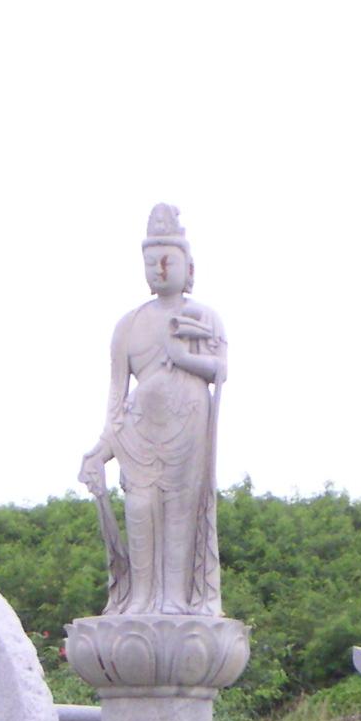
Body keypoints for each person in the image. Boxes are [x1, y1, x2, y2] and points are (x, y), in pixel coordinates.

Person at [79, 205, 226, 616]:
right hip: (138, 435)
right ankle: (139, 598)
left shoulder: (202, 317)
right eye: (150, 262)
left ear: (188, 267)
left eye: (168, 260)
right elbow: (116, 396)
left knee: (180, 510)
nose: (159, 269)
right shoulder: (128, 325)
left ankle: (176, 598)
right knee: (140, 510)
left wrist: (182, 357)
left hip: (187, 427)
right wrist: (100, 451)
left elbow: (220, 371)